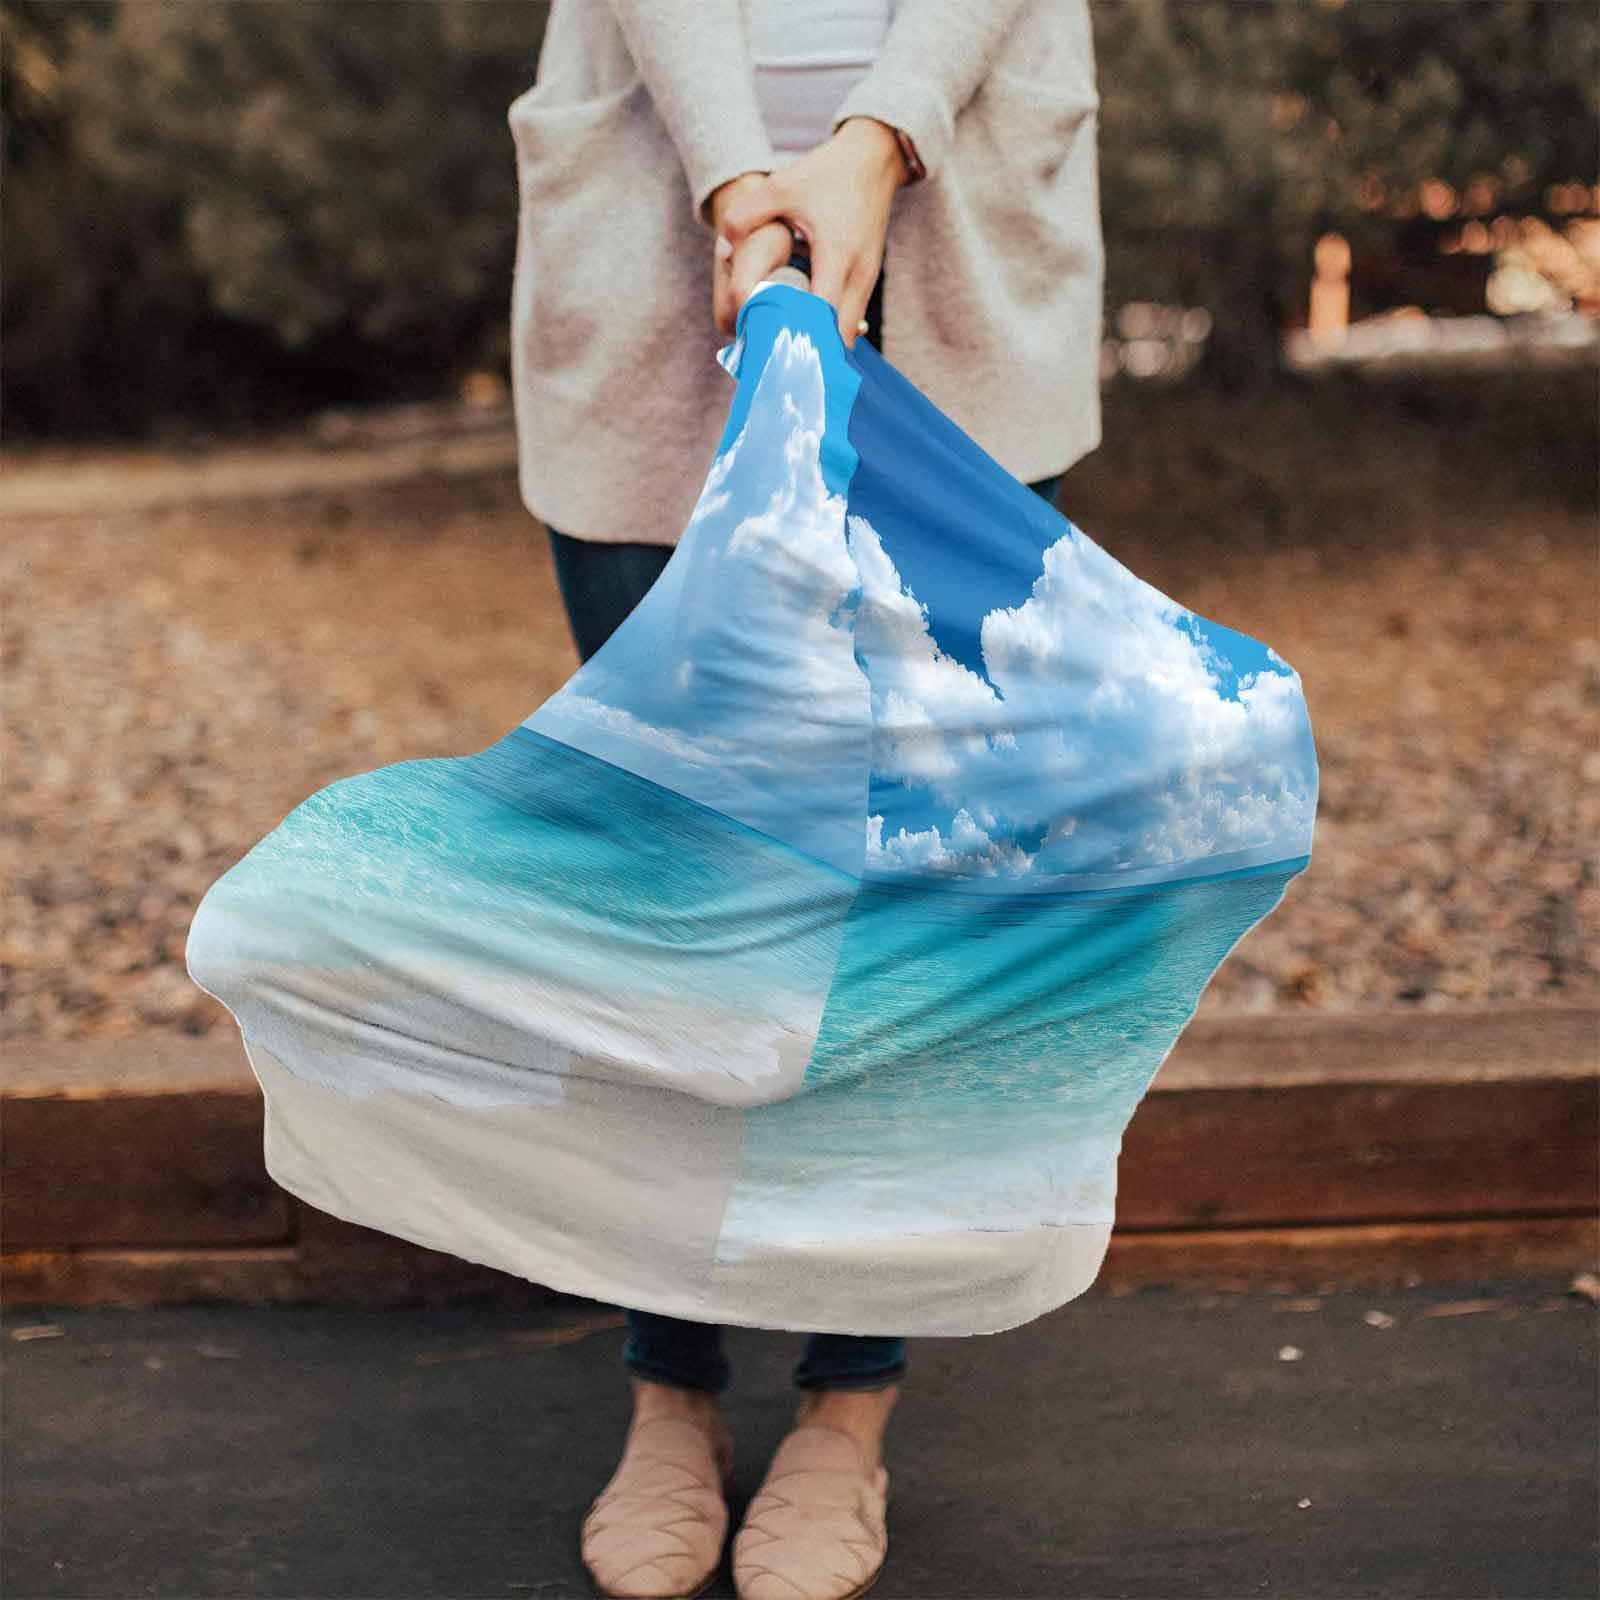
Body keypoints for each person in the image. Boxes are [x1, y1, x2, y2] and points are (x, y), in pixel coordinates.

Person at [506, 4, 1103, 1597]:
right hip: (657, 231)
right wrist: (734, 180)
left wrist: (877, 137)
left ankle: (849, 1402)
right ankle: (669, 1388)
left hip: (958, 229)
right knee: (673, 879)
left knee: (910, 881)